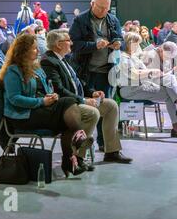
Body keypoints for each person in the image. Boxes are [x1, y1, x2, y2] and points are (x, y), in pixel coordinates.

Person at [0, 34, 92, 177]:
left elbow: (44, 90)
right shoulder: (13, 70)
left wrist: (50, 95)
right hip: (22, 116)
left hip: (37, 110)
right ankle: (79, 138)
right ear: (23, 51)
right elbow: (14, 99)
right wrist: (41, 102)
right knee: (68, 102)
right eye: (34, 49)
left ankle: (69, 161)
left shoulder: (37, 68)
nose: (38, 51)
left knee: (67, 119)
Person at [41, 29, 132, 164]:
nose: (71, 43)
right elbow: (59, 90)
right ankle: (78, 157)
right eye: (68, 40)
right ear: (58, 44)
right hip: (66, 106)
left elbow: (77, 83)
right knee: (93, 111)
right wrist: (84, 100)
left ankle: (112, 151)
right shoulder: (48, 61)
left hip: (78, 100)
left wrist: (92, 92)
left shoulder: (64, 59)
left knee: (111, 105)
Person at [69, 0, 123, 151]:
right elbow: (74, 45)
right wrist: (94, 46)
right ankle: (81, 144)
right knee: (86, 108)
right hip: (85, 71)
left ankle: (103, 144)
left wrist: (119, 43)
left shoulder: (113, 19)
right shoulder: (80, 20)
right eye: (100, 7)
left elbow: (120, 38)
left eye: (106, 8)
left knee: (105, 108)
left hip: (106, 71)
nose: (103, 11)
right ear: (92, 4)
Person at [118, 32, 177, 137]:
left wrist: (157, 74)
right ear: (130, 43)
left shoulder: (133, 57)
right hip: (130, 89)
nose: (139, 46)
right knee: (170, 88)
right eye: (137, 43)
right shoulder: (124, 57)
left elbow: (146, 73)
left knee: (170, 90)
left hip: (142, 85)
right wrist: (152, 72)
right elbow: (134, 75)